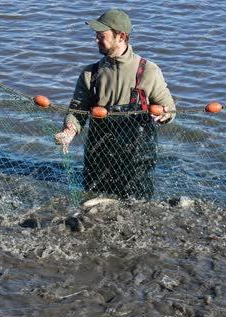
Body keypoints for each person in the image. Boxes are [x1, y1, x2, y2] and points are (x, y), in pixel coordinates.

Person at [54, 9, 176, 199]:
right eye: (96, 35)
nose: (96, 39)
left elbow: (169, 108)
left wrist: (164, 115)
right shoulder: (90, 73)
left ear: (121, 36)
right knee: (91, 206)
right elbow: (77, 111)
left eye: (101, 35)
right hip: (98, 157)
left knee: (136, 210)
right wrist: (69, 131)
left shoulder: (149, 71)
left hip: (137, 159)